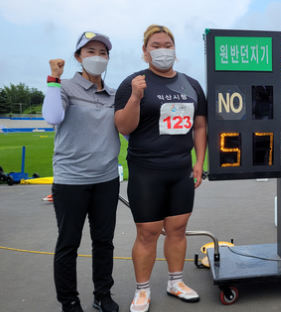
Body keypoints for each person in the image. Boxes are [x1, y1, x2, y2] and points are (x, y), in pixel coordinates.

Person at [114, 25, 207, 312]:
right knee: (148, 233)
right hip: (146, 171)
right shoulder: (134, 82)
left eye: (168, 44)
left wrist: (199, 162)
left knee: (178, 229)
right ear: (145, 51)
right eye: (156, 45)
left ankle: (175, 281)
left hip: (180, 170)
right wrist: (135, 98)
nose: (163, 50)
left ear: (175, 50)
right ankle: (142, 290)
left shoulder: (191, 84)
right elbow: (122, 126)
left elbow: (201, 125)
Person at [42, 31, 120, 312]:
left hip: (107, 180)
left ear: (108, 58)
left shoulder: (114, 94)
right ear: (78, 57)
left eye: (102, 52)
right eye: (90, 52)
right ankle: (69, 301)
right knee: (68, 244)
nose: (97, 57)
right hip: (71, 181)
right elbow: (52, 117)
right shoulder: (64, 88)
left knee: (103, 242)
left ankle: (103, 295)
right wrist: (53, 78)